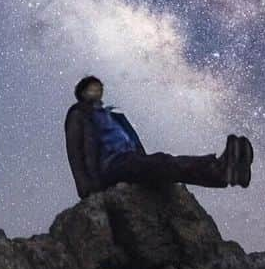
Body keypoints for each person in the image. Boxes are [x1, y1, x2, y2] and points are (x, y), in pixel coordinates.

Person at [64, 75, 253, 199]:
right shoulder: (78, 115)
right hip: (110, 166)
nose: (98, 90)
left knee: (161, 164)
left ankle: (227, 168)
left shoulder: (113, 116)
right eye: (92, 87)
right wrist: (87, 189)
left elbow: (131, 142)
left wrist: (144, 161)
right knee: (162, 162)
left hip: (129, 160)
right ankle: (222, 171)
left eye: (99, 87)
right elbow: (75, 153)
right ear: (82, 92)